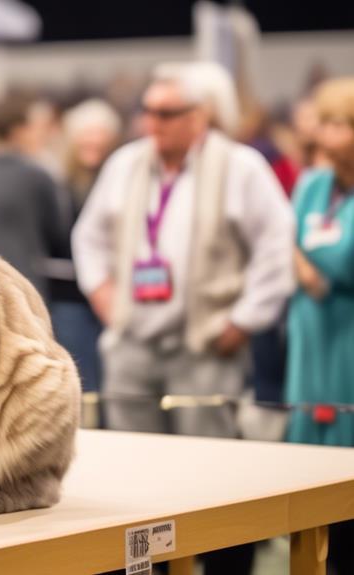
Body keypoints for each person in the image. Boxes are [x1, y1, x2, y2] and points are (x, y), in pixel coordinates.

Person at [72, 62, 295, 575]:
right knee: (133, 480)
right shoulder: (127, 163)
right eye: (148, 111)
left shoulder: (239, 166)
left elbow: (276, 246)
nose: (154, 122)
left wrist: (244, 319)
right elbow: (89, 238)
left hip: (205, 345)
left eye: (168, 113)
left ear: (201, 117)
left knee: (213, 478)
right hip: (132, 344)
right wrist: (105, 296)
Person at [286, 76, 354, 575]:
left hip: (347, 337)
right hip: (311, 335)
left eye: (338, 124)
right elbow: (283, 241)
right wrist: (306, 271)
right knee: (308, 458)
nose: (323, 133)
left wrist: (310, 270)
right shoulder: (312, 185)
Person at [48, 99, 122, 411]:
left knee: (114, 376)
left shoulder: (120, 180)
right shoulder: (57, 185)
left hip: (114, 295)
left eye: (100, 135)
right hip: (70, 299)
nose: (93, 142)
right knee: (81, 377)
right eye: (86, 134)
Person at [0, 97, 63, 299]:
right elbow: (59, 235)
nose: (42, 134)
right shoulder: (36, 175)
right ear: (19, 131)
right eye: (36, 127)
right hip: (24, 287)